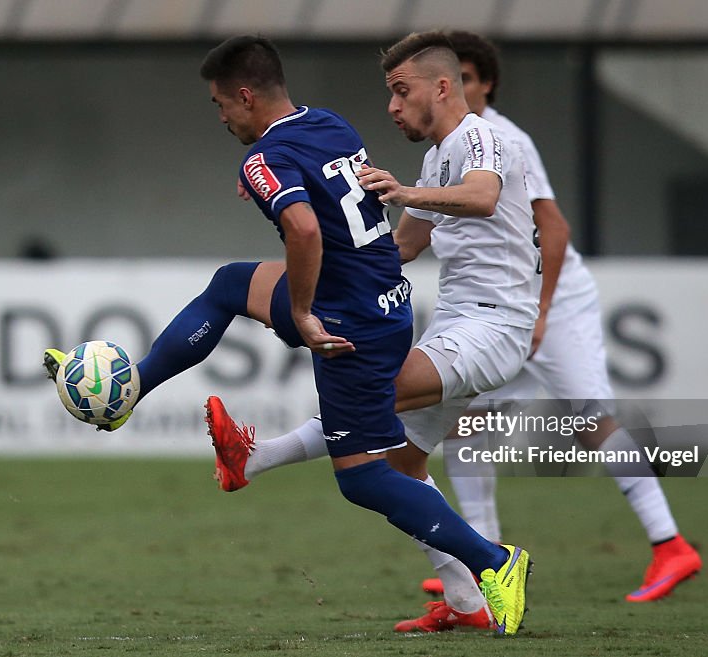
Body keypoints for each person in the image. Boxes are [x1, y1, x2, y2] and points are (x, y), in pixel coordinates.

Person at [42, 35, 530, 636]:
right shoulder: (328, 124)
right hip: (376, 300)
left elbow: (304, 228)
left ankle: (494, 561)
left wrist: (302, 311)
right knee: (230, 287)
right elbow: (379, 237)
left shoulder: (462, 141)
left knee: (363, 476)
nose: (220, 116)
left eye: (221, 104)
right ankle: (137, 391)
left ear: (246, 97)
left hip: (355, 316)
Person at [205, 31, 542, 633]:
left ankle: (256, 459)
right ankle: (468, 606)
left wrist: (406, 192)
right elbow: (398, 248)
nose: (391, 106)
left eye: (400, 90)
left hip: (495, 325)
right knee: (402, 464)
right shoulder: (438, 158)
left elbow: (484, 197)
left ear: (442, 87)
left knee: (366, 410)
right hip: (462, 324)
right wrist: (288, 201)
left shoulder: (481, 137)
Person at [419, 30, 701, 607]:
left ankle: (670, 544)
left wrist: (541, 314)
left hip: (546, 300)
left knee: (592, 421)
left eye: (468, 78)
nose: (459, 89)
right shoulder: (449, 145)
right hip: (502, 307)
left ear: (484, 83)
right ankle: (483, 557)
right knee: (467, 433)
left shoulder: (501, 139)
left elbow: (555, 229)